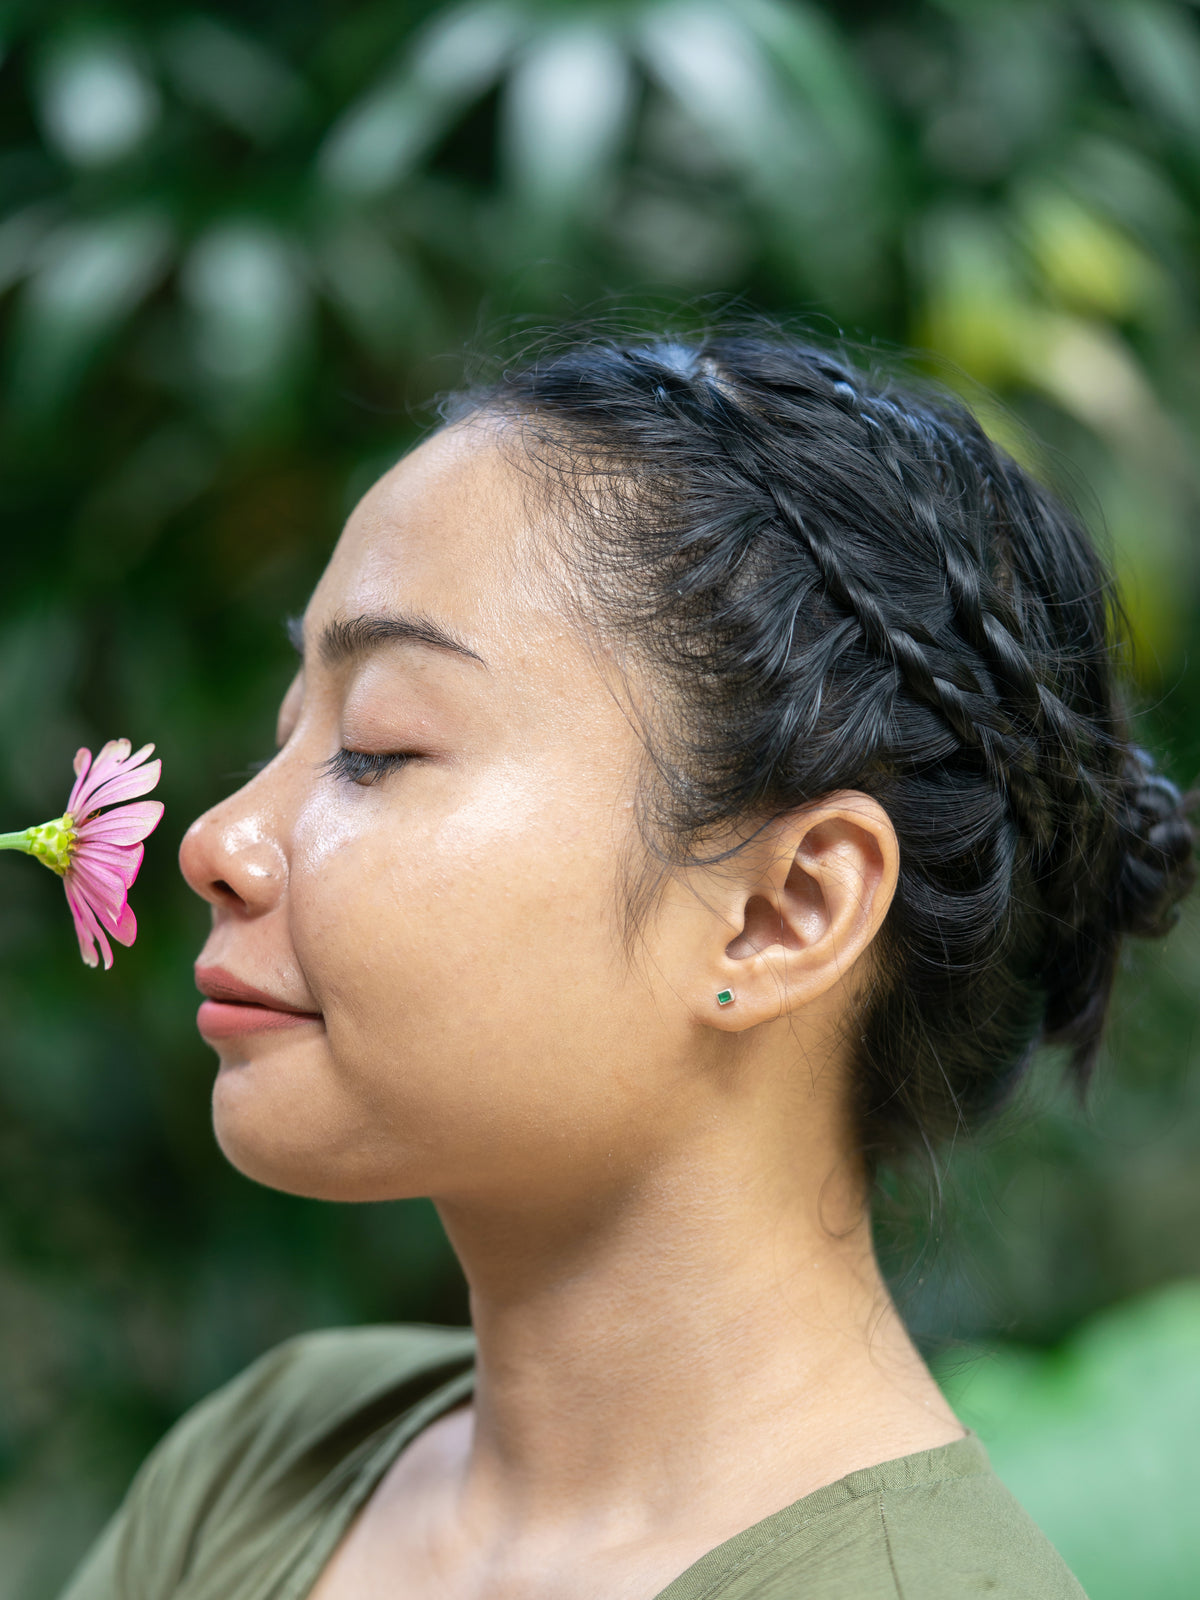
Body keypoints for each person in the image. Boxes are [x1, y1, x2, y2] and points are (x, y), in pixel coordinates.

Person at [62, 330, 1195, 1600]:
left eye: (377, 745)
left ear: (784, 910)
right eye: (288, 734)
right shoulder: (273, 1459)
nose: (217, 839)